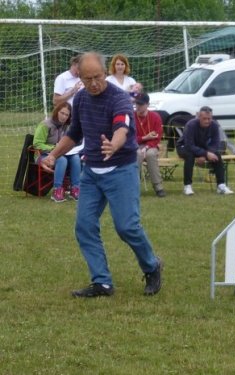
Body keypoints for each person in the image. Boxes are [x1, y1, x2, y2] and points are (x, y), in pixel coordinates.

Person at [41, 52, 163, 298]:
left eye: (97, 76)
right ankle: (102, 282)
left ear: (104, 72)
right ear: (81, 79)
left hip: (121, 169)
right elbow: (74, 134)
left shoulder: (119, 99)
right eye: (87, 79)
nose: (93, 83)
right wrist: (53, 155)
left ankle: (152, 265)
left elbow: (121, 127)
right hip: (92, 172)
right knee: (84, 226)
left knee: (126, 226)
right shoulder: (82, 99)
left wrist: (114, 144)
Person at [176, 106, 234, 196]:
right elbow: (189, 145)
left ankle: (221, 185)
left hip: (201, 147)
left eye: (209, 118)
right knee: (190, 155)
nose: (207, 121)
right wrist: (206, 153)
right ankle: (187, 186)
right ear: (199, 116)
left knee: (217, 154)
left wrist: (206, 154)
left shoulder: (214, 125)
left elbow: (216, 143)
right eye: (204, 119)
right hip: (184, 147)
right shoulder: (191, 125)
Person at [33, 102, 81, 202]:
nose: (64, 117)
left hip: (61, 153)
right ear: (56, 112)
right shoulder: (45, 124)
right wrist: (54, 148)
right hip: (42, 155)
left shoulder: (67, 126)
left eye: (66, 115)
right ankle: (57, 190)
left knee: (76, 158)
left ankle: (75, 189)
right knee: (62, 160)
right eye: (62, 113)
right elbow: (37, 144)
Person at [134, 92, 166, 197]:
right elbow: (129, 137)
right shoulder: (131, 116)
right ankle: (134, 187)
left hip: (151, 146)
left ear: (147, 104)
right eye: (137, 104)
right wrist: (144, 138)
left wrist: (147, 146)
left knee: (151, 154)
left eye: (141, 104)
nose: (138, 106)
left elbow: (157, 136)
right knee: (137, 154)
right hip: (135, 145)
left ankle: (158, 187)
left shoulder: (155, 117)